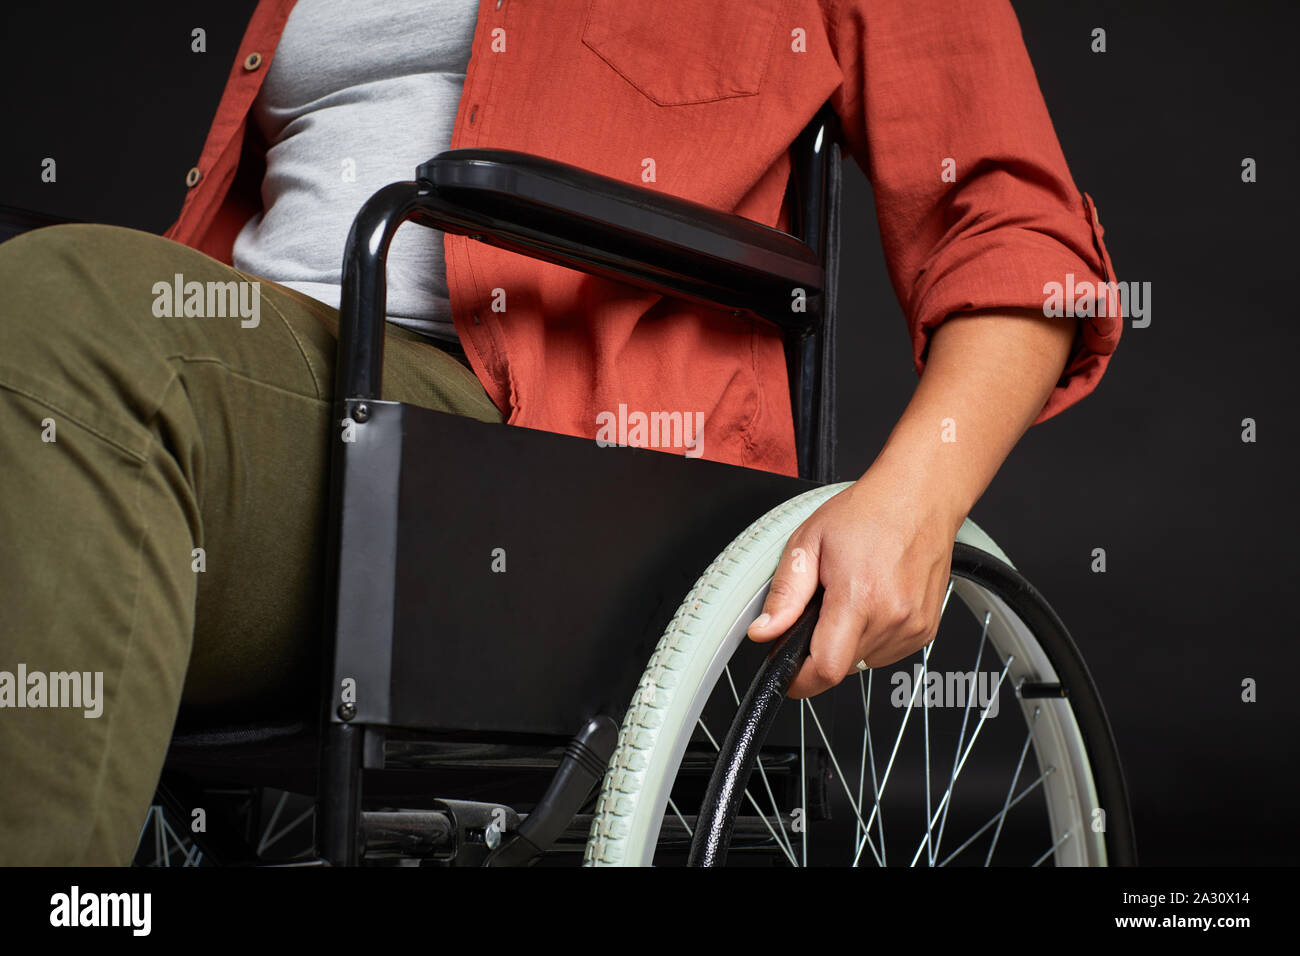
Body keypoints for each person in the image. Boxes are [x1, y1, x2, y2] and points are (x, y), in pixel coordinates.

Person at [0, 0, 1122, 864]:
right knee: (56, 331)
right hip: (244, 396)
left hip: (525, 461)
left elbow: (1018, 227)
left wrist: (915, 497)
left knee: (68, 317)